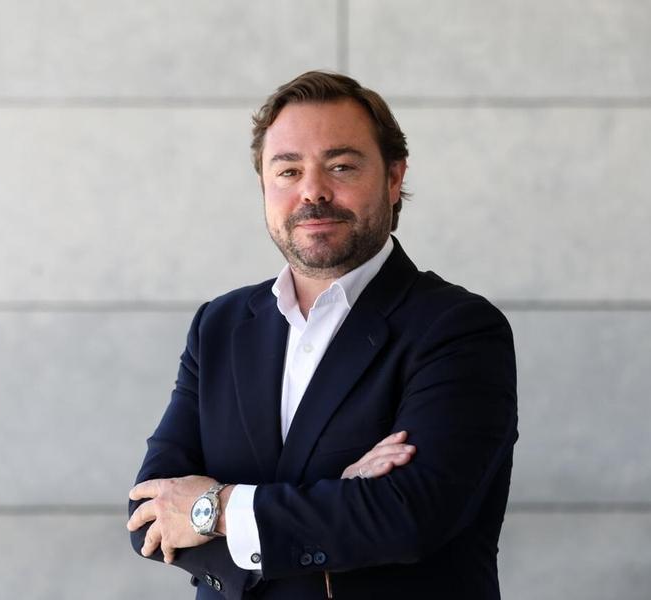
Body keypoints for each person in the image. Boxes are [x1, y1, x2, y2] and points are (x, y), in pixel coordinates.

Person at [127, 70, 518, 600]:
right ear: (264, 186)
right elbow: (149, 513)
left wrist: (212, 510)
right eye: (288, 170)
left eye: (341, 166)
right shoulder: (219, 326)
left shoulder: (458, 329)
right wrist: (339, 498)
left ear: (394, 178)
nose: (312, 191)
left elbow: (409, 516)